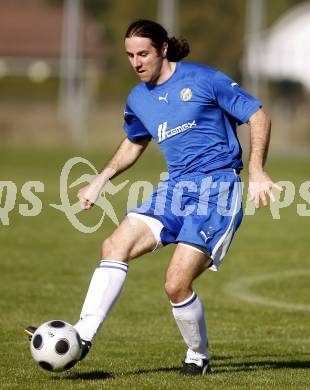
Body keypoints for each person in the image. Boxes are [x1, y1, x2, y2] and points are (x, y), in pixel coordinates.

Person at [26, 19, 281, 376]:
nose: (136, 62)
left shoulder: (204, 79)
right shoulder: (138, 98)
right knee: (114, 245)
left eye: (143, 53)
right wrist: (101, 179)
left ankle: (198, 354)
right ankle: (82, 336)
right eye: (130, 55)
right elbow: (135, 141)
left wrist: (256, 168)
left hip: (217, 191)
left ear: (163, 49)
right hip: (174, 189)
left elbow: (258, 115)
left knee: (175, 284)